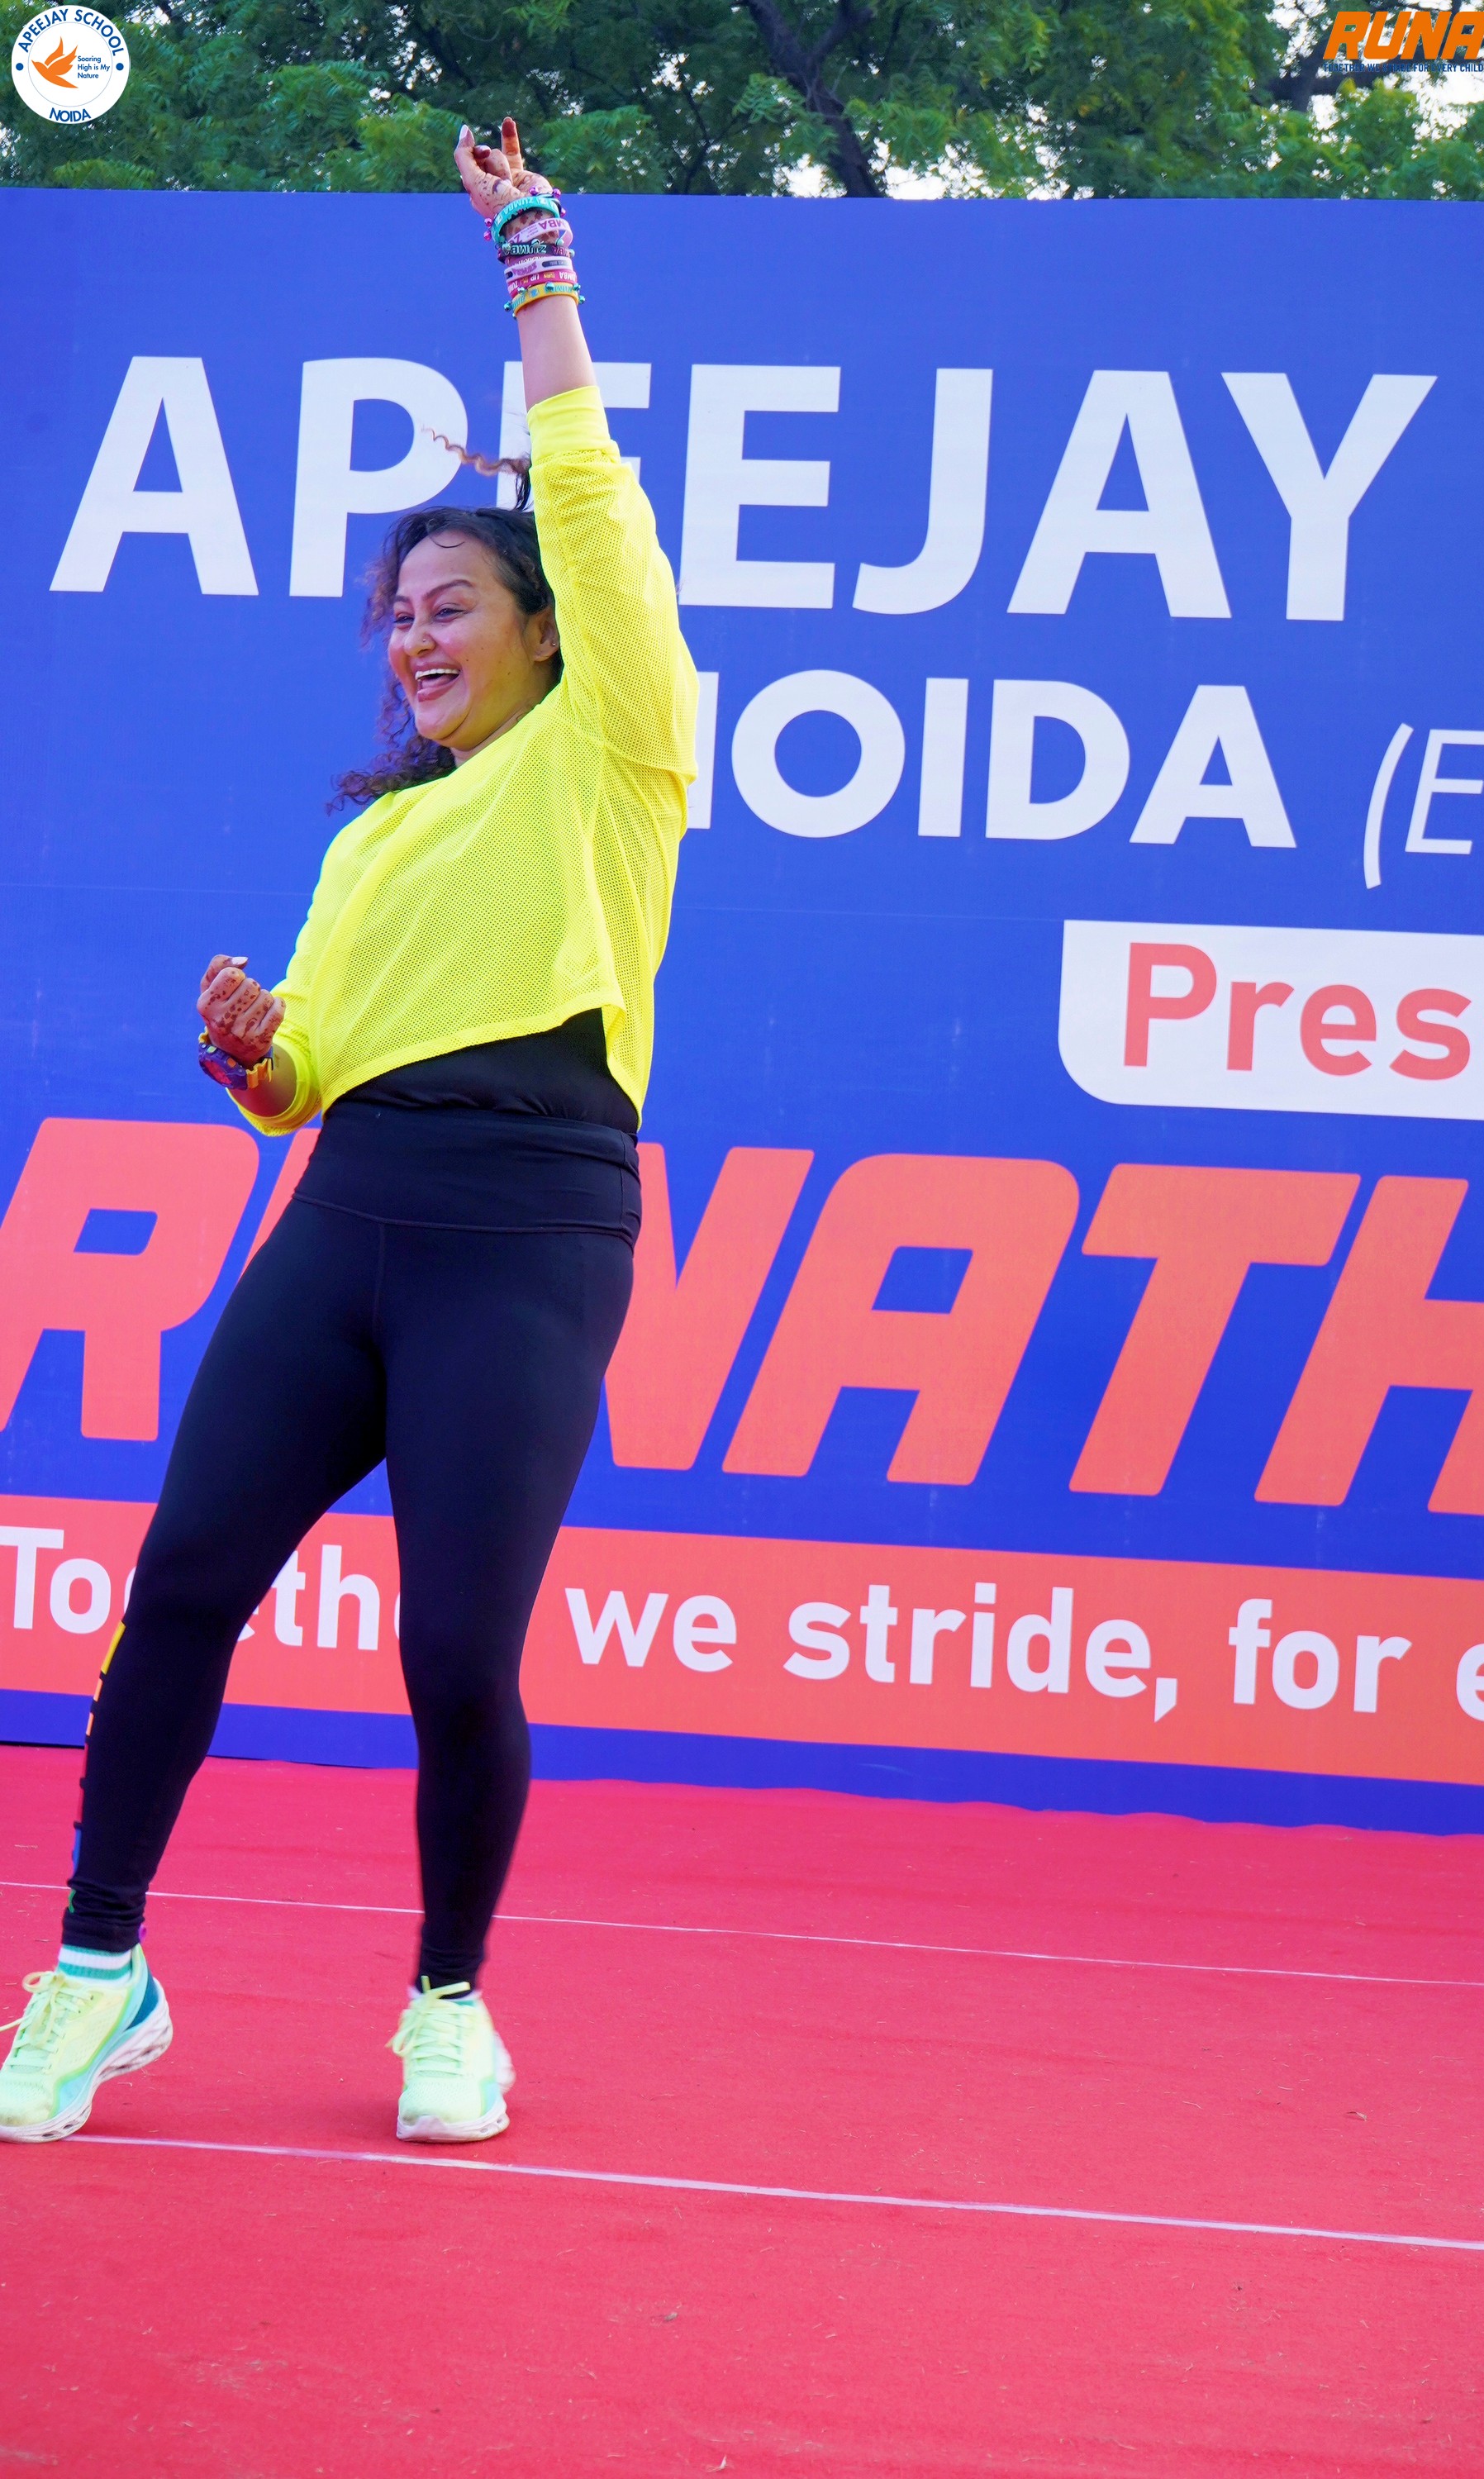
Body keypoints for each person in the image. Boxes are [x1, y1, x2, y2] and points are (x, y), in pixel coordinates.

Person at [0, 122, 697, 2146]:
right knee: (183, 1580)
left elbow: (586, 487)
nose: (413, 635)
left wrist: (536, 266)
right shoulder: (377, 836)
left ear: (549, 627)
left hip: (532, 1230)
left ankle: (450, 2000)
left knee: (458, 1649)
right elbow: (315, 1069)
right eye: (395, 613)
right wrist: (260, 1058)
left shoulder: (618, 744)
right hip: (349, 1211)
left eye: (450, 601)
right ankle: (97, 1969)